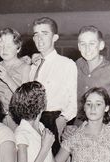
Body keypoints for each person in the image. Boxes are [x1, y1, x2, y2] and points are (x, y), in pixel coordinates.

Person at [29, 17, 77, 153]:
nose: (39, 38)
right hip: (33, 121)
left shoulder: (66, 64)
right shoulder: (33, 65)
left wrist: (61, 121)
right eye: (36, 34)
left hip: (53, 121)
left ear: (55, 37)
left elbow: (73, 103)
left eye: (45, 33)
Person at [76, 25, 110, 110]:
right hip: (79, 123)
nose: (87, 49)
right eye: (83, 44)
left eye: (92, 43)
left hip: (106, 122)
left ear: (101, 45)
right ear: (79, 47)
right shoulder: (76, 66)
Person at [0, 28, 31, 130]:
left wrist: (7, 79)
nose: (4, 49)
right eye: (1, 45)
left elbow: (25, 99)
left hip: (16, 120)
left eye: (8, 46)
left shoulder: (25, 68)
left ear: (18, 48)